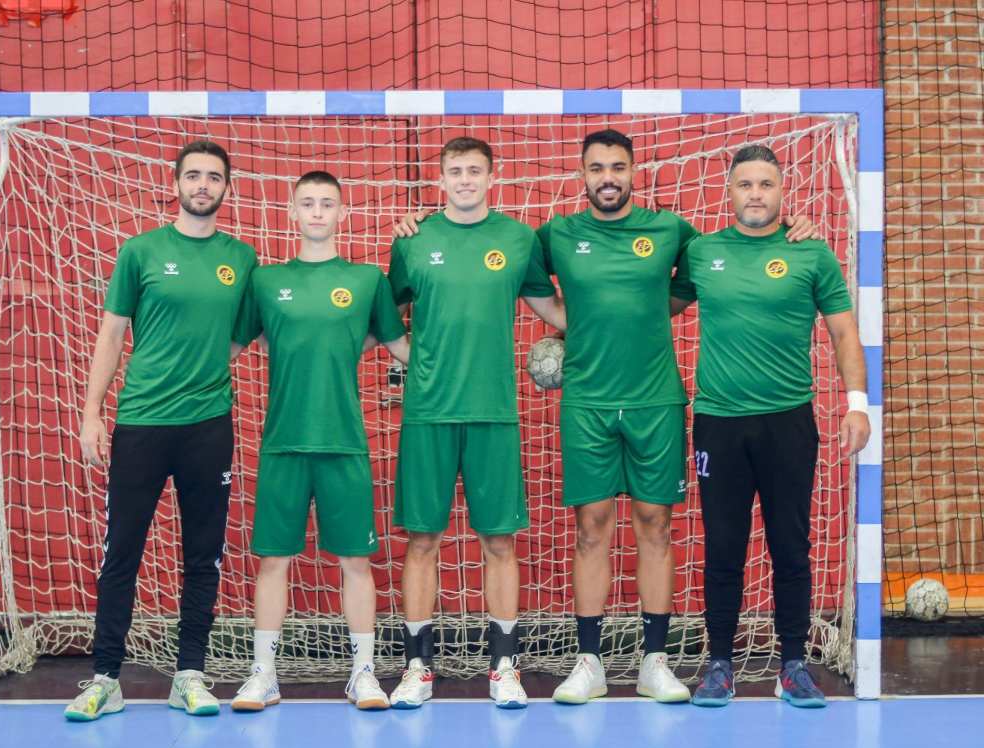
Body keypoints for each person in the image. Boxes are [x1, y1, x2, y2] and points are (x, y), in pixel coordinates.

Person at [396, 130, 816, 706]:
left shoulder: (670, 232)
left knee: (656, 525)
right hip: (587, 401)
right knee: (590, 528)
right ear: (583, 175)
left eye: (618, 166)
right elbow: (479, 253)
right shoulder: (552, 237)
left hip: (655, 400)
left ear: (633, 170)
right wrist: (418, 227)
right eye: (597, 168)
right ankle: (589, 661)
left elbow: (735, 247)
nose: (608, 177)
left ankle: (654, 662)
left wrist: (793, 230)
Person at [671, 144, 871, 708]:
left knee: (791, 545)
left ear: (783, 192)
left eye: (765, 184)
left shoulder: (810, 253)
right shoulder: (702, 251)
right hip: (718, 424)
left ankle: (792, 664)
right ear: (728, 192)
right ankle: (718, 665)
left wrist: (858, 403)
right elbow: (649, 306)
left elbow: (843, 332)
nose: (755, 193)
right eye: (744, 184)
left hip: (789, 423)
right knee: (724, 547)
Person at [67, 141, 258, 721]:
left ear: (228, 188)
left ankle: (190, 675)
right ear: (175, 183)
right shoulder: (141, 251)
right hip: (141, 423)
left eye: (214, 177)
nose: (204, 184)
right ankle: (104, 679)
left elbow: (241, 336)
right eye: (194, 175)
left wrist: (202, 365)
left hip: (208, 426)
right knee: (121, 551)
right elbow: (111, 333)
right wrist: (92, 412)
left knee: (203, 556)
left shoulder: (241, 258)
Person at [387, 137, 565, 709]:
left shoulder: (517, 240)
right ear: (440, 179)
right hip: (429, 412)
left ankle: (504, 668)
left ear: (494, 176)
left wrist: (612, 321)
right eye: (455, 171)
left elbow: (553, 309)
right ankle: (417, 668)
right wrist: (417, 359)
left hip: (494, 412)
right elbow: (384, 316)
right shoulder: (413, 241)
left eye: (474, 171)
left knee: (500, 541)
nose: (464, 180)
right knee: (422, 540)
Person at [230, 170, 410, 712]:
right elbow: (230, 348)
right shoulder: (264, 282)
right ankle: (263, 674)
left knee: (357, 561)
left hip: (345, 444)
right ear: (290, 211)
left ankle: (363, 674)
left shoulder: (366, 281)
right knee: (273, 562)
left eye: (326, 203)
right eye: (306, 203)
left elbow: (401, 346)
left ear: (341, 212)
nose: (316, 212)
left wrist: (464, 361)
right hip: (283, 442)